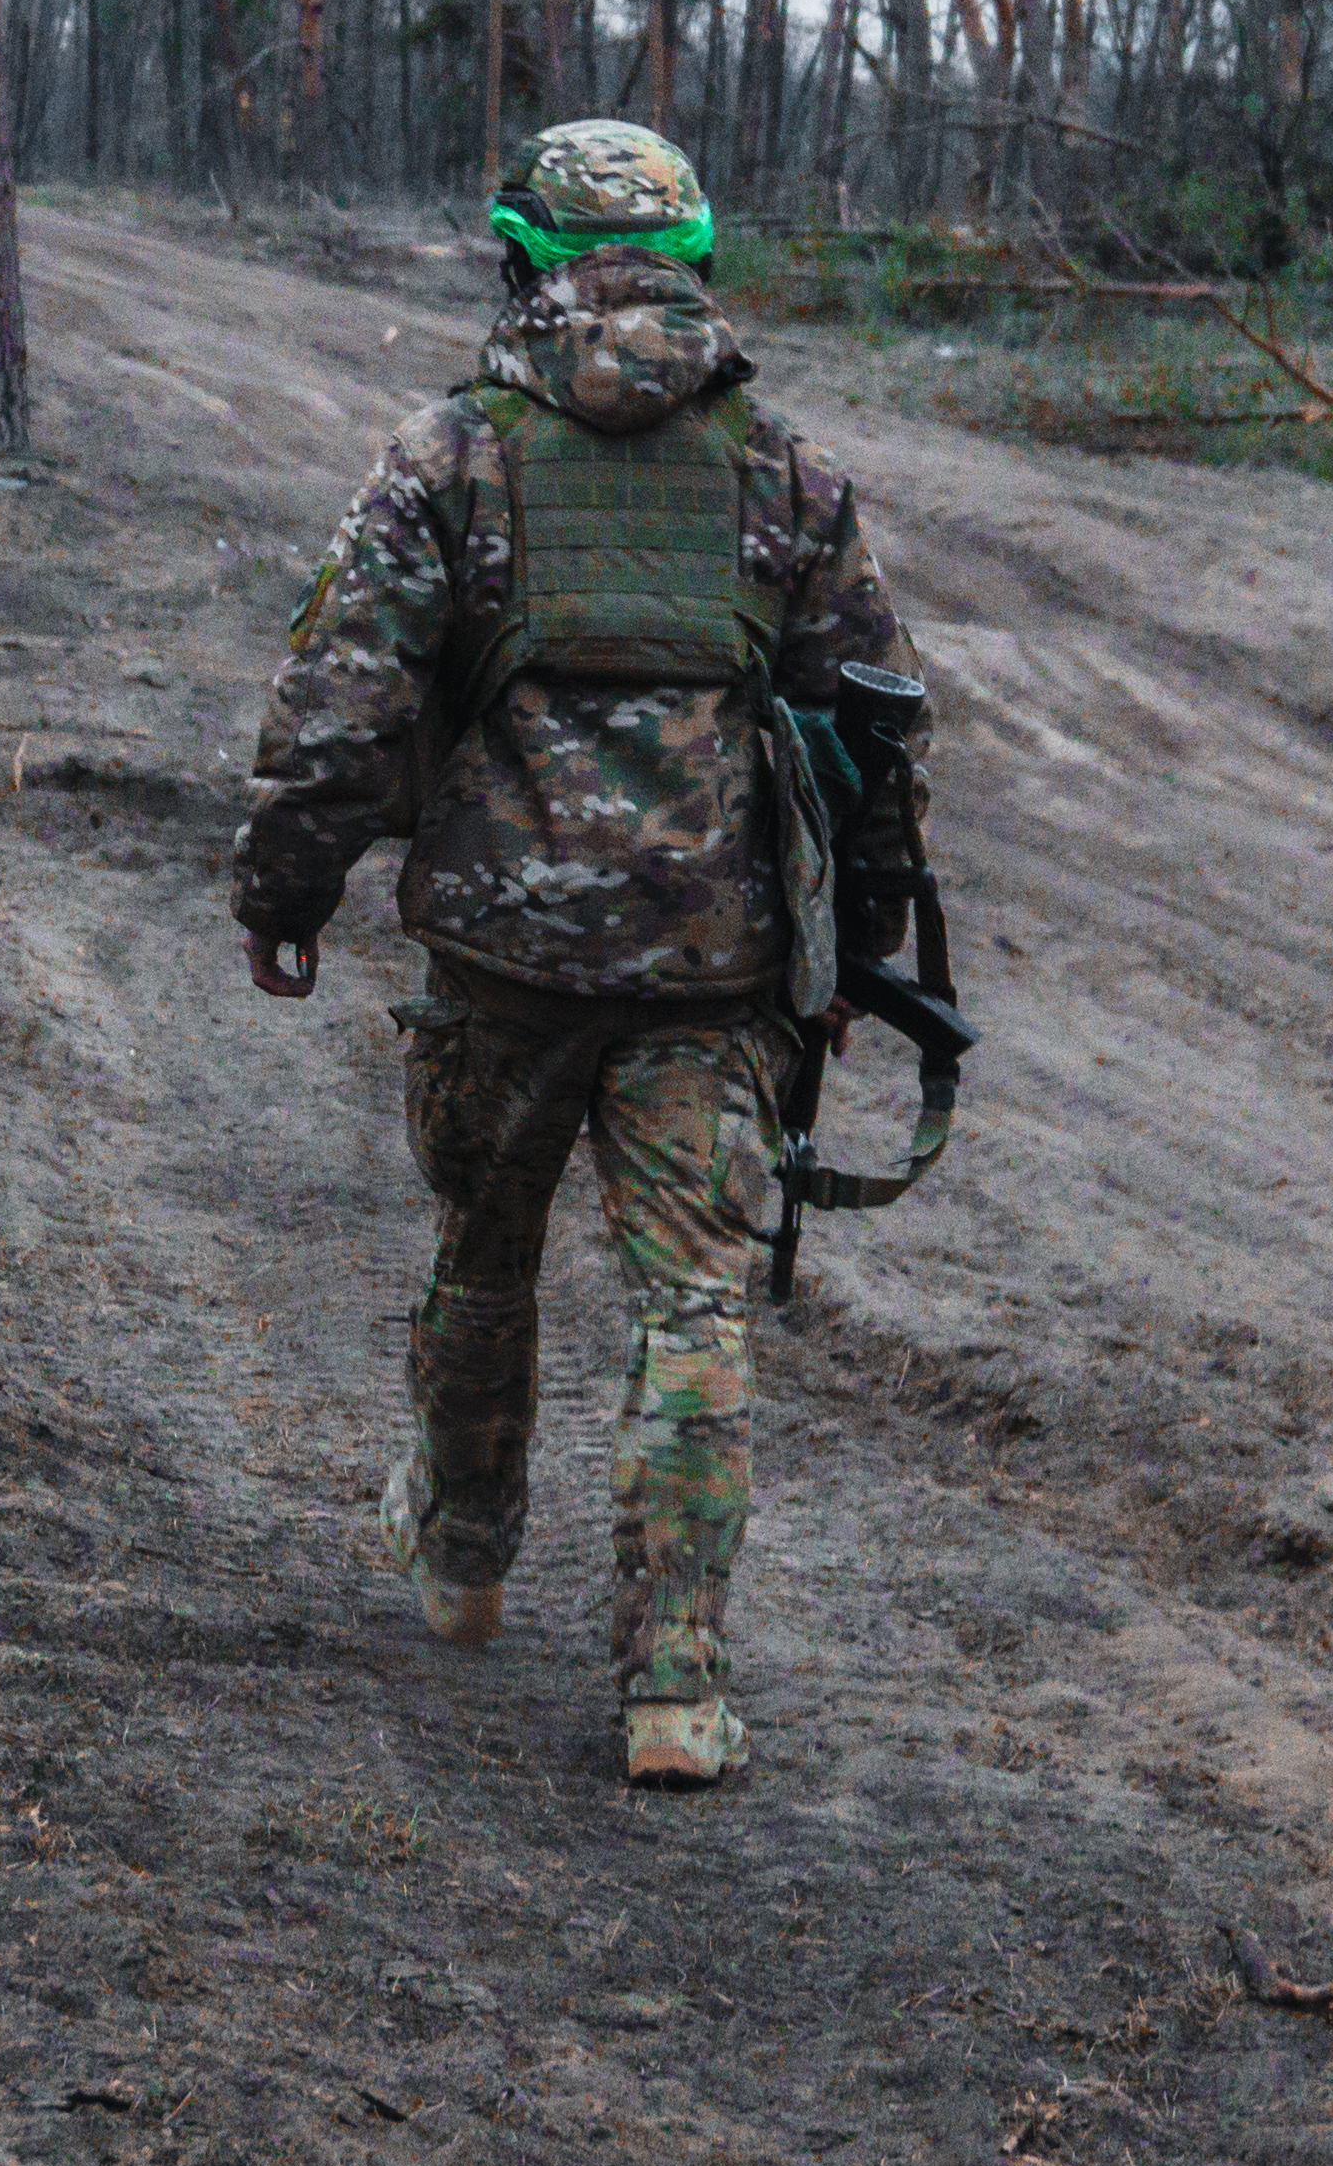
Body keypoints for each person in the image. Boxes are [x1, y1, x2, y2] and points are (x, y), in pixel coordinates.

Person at [228, 118, 930, 1790]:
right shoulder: (788, 472)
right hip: (715, 974)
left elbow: (339, 718)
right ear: (690, 266)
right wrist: (854, 964)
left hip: (500, 967)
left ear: (523, 264)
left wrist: (285, 896)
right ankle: (676, 1688)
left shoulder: (452, 456)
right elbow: (881, 742)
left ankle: (465, 1562)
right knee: (695, 1310)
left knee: (485, 1249)